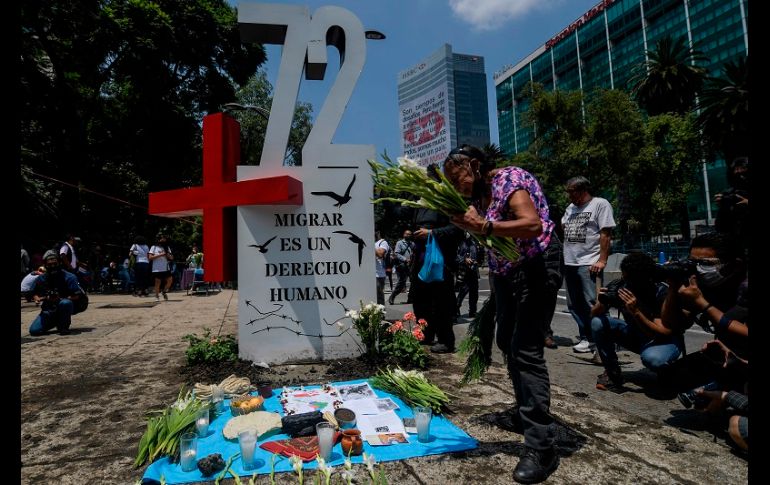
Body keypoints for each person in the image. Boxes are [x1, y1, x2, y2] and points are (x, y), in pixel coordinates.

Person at [444, 144, 558, 484]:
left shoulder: (510, 179)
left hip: (535, 266)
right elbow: (483, 229)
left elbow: (532, 224)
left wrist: (484, 228)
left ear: (475, 166)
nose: (456, 185)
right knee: (506, 339)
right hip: (506, 273)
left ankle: (542, 445)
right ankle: (526, 411)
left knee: (526, 350)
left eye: (458, 177)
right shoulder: (478, 198)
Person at [590, 252, 683, 391]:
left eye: (630, 280)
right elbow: (593, 314)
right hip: (636, 335)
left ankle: (671, 372)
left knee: (653, 359)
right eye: (624, 276)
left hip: (663, 341)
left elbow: (661, 333)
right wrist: (602, 301)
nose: (626, 282)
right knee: (597, 323)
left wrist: (636, 311)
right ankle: (612, 372)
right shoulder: (621, 286)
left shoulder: (660, 292)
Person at [561, 176, 616, 354]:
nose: (569, 197)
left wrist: (602, 260)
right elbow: (563, 226)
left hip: (589, 262)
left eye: (572, 193)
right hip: (570, 261)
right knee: (574, 304)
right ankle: (588, 337)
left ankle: (606, 338)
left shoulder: (600, 204)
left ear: (582, 190)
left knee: (593, 303)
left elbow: (605, 234)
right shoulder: (570, 208)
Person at [411, 185, 464, 354]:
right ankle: (425, 334)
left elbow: (457, 230)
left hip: (440, 262)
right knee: (420, 301)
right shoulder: (418, 206)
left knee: (442, 302)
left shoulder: (446, 204)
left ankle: (446, 340)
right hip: (420, 261)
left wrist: (432, 233)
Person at [29, 250, 87, 335]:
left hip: (64, 304)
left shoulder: (70, 277)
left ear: (59, 263)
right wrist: (37, 298)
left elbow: (77, 296)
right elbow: (34, 293)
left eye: (55, 264)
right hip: (49, 309)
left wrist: (59, 299)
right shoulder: (41, 278)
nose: (53, 266)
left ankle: (64, 326)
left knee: (65, 303)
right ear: (45, 265)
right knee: (34, 331)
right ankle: (55, 321)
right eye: (50, 265)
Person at [455, 232, 479, 318]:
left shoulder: (474, 242)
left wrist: (477, 261)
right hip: (463, 271)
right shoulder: (460, 242)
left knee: (474, 292)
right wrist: (464, 259)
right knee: (463, 291)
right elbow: (455, 256)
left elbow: (478, 254)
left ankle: (472, 311)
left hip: (474, 270)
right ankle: (456, 308)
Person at [388, 230, 414, 305]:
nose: (408, 235)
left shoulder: (412, 244)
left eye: (410, 234)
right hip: (402, 265)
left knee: (414, 282)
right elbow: (396, 254)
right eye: (407, 234)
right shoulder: (400, 243)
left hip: (411, 266)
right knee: (401, 283)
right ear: (404, 234)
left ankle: (410, 298)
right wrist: (405, 259)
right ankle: (392, 296)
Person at [148, 234, 174, 301]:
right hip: (157, 268)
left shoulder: (167, 247)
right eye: (163, 238)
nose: (164, 240)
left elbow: (172, 258)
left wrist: (168, 256)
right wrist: (161, 255)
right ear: (159, 239)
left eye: (165, 238)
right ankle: (156, 296)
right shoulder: (154, 247)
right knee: (157, 282)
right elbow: (150, 257)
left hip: (165, 268)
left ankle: (164, 291)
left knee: (170, 280)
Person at [374, 231, 390, 305]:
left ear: (378, 232)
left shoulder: (383, 242)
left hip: (378, 274)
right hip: (369, 273)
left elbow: (380, 254)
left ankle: (381, 315)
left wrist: (369, 242)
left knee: (379, 296)